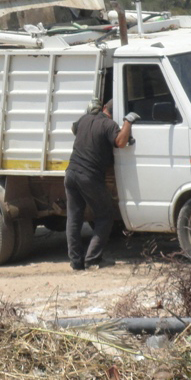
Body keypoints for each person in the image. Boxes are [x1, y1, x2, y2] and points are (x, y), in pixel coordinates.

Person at [65, 101, 137, 271]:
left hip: (70, 173)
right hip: (88, 177)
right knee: (105, 215)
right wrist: (128, 122)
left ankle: (76, 262)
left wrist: (88, 116)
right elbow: (120, 142)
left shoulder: (85, 119)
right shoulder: (109, 124)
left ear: (103, 107)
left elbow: (74, 129)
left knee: (74, 218)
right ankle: (92, 260)